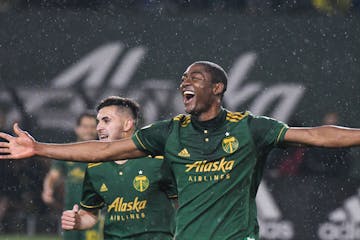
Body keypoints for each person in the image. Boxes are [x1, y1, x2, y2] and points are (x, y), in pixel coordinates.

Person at [0, 61, 359, 240]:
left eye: (196, 78)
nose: (185, 82)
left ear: (218, 88)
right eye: (184, 79)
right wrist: (39, 147)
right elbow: (104, 152)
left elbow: (315, 135)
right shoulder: (170, 132)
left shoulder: (250, 127)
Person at [61, 96, 177, 239]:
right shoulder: (95, 167)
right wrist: (78, 221)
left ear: (127, 125)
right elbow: (90, 214)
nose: (98, 127)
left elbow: (181, 204)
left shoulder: (158, 160)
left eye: (106, 120)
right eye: (98, 122)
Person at [42, 111, 101, 240]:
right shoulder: (67, 153)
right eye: (85, 126)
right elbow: (53, 175)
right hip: (70, 214)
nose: (89, 131)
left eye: (92, 127)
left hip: (95, 214)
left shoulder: (105, 154)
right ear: (77, 129)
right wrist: (48, 189)